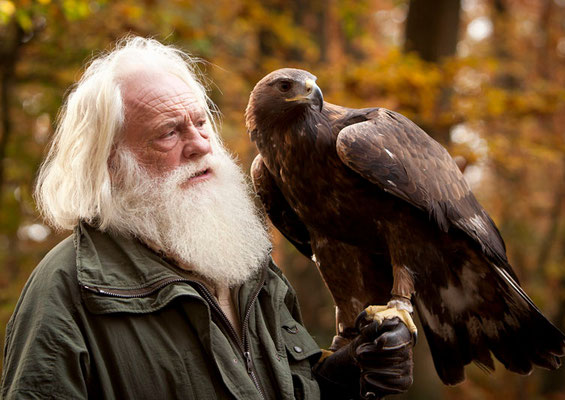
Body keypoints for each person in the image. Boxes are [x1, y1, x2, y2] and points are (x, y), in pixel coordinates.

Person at [1, 36, 413, 399]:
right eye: (169, 132)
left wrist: (345, 377)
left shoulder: (246, 265)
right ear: (110, 163)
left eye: (201, 123)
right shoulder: (68, 292)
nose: (201, 145)